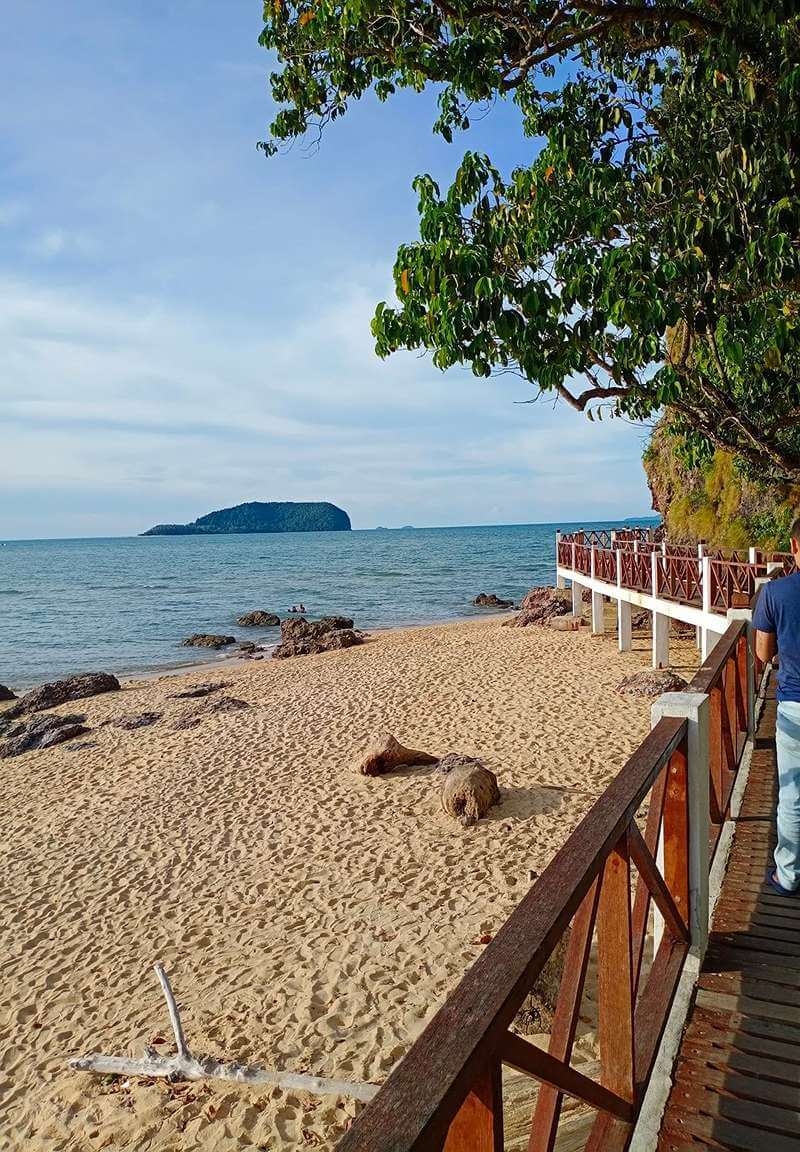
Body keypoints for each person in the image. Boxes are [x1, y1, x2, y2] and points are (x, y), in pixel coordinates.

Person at [753, 518, 800, 895]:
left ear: (794, 547)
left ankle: (788, 875)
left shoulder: (775, 593)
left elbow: (763, 653)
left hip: (793, 707)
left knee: (793, 794)